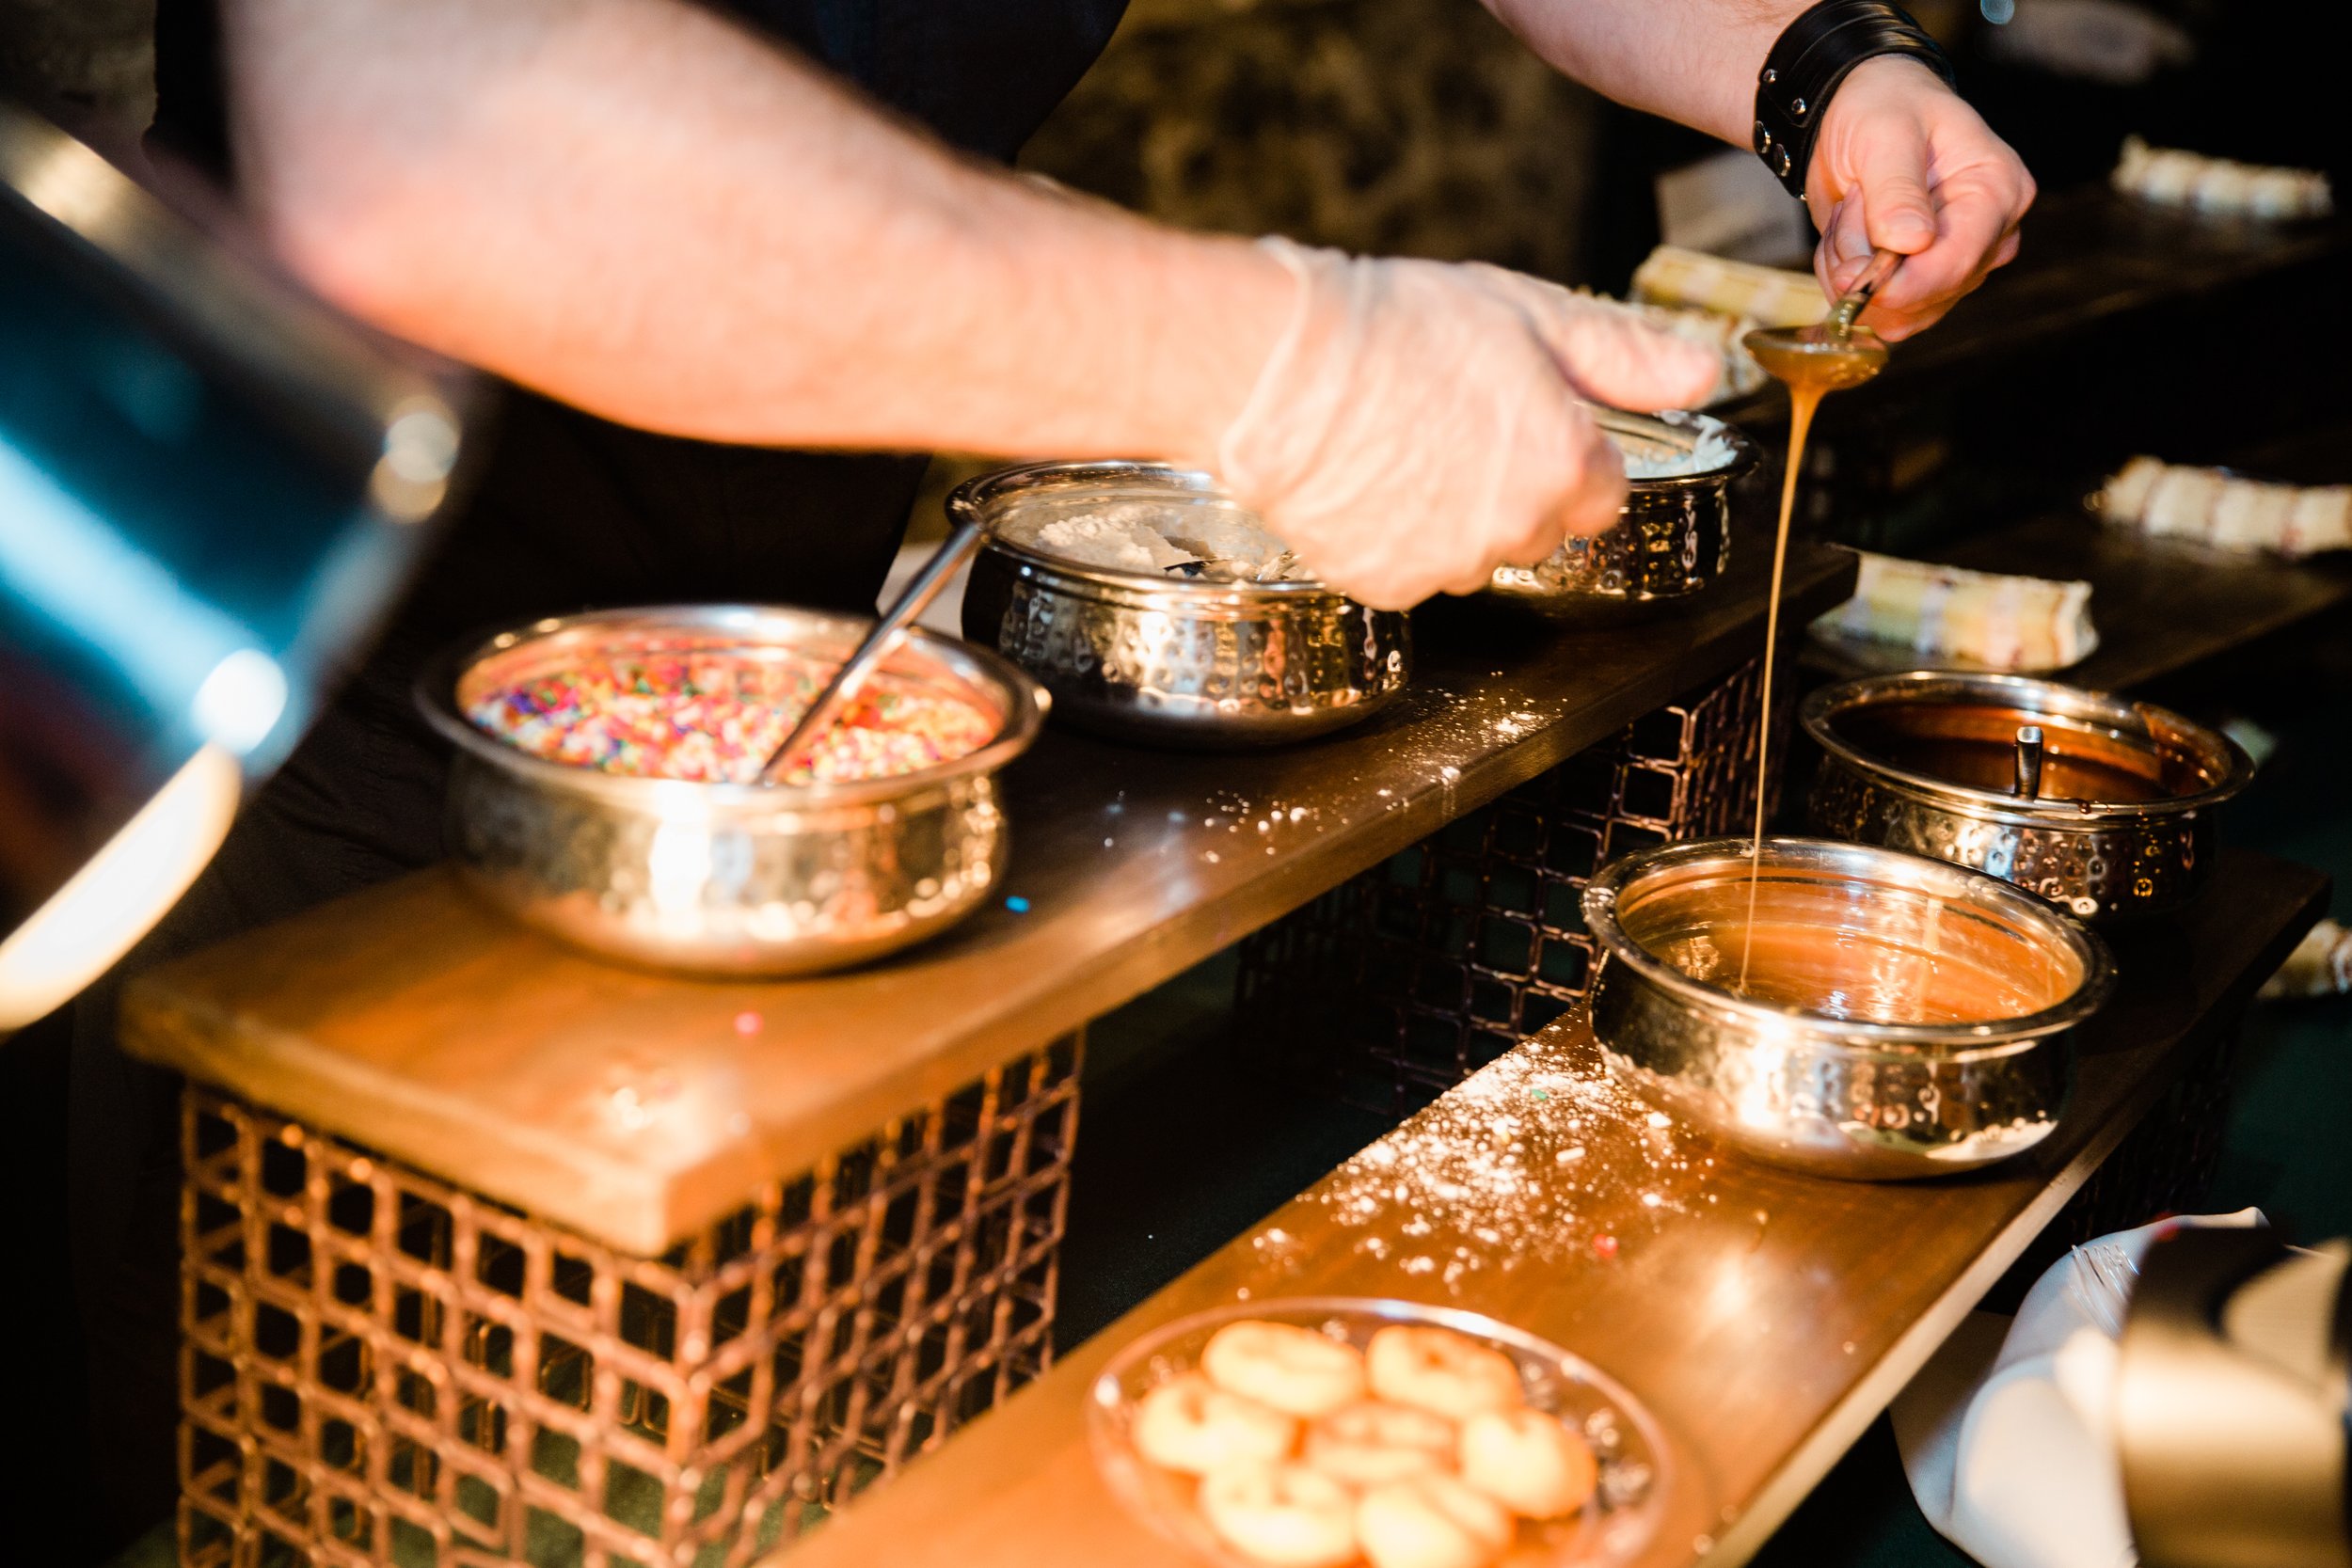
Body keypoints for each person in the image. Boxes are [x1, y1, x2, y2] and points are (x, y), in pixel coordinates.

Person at [27, 0, 2033, 1549]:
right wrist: (1282, 363)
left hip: (782, 703)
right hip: (238, 678)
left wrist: (1811, 63)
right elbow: (427, 139)